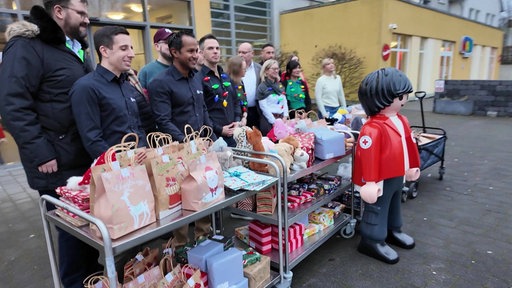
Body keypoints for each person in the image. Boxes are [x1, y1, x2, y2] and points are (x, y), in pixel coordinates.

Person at [0, 1, 102, 287]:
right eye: (80, 13)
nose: (86, 20)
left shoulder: (74, 48)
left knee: (89, 233)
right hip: (54, 162)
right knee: (71, 235)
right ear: (59, 11)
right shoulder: (27, 47)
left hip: (81, 158)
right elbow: (13, 105)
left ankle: (92, 280)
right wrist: (40, 153)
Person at [148, 31, 214, 263]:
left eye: (197, 50)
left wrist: (209, 135)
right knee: (182, 200)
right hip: (178, 153)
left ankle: (205, 238)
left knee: (204, 193)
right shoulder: (160, 83)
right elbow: (162, 120)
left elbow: (203, 109)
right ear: (174, 52)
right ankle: (180, 247)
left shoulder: (196, 78)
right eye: (191, 51)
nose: (196, 55)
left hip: (200, 148)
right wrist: (187, 143)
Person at [352, 67, 421, 264]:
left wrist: (412, 166)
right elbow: (369, 155)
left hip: (397, 173)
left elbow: (408, 145)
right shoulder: (372, 127)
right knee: (378, 208)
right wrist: (371, 182)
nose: (404, 99)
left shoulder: (401, 120)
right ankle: (372, 239)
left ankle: (394, 230)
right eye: (400, 95)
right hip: (380, 178)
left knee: (394, 204)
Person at [70, 26, 148, 160]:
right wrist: (121, 162)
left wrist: (143, 149)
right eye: (124, 49)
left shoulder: (127, 85)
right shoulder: (86, 87)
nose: (132, 54)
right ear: (104, 51)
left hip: (138, 165)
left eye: (131, 48)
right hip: (112, 170)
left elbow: (137, 126)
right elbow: (92, 139)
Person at [198, 34, 241, 147]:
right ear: (201, 53)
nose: (215, 51)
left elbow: (235, 100)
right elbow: (202, 110)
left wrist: (237, 120)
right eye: (210, 48)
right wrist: (219, 129)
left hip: (234, 134)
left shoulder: (225, 76)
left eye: (217, 48)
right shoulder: (198, 78)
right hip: (215, 137)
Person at [256, 59, 288, 136]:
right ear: (266, 71)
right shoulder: (262, 87)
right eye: (273, 69)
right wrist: (274, 122)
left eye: (277, 68)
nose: (276, 71)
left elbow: (284, 101)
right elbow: (264, 107)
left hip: (281, 119)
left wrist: (285, 116)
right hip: (269, 122)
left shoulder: (279, 85)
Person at [238, 42, 261, 129]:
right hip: (240, 111)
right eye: (239, 52)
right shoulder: (234, 69)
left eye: (244, 52)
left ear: (252, 54)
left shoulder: (259, 69)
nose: (240, 55)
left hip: (256, 110)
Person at [227, 55, 248, 125]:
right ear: (237, 69)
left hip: (242, 119)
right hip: (233, 120)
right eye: (244, 69)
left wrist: (244, 116)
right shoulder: (228, 84)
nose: (246, 70)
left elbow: (244, 100)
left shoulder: (241, 82)